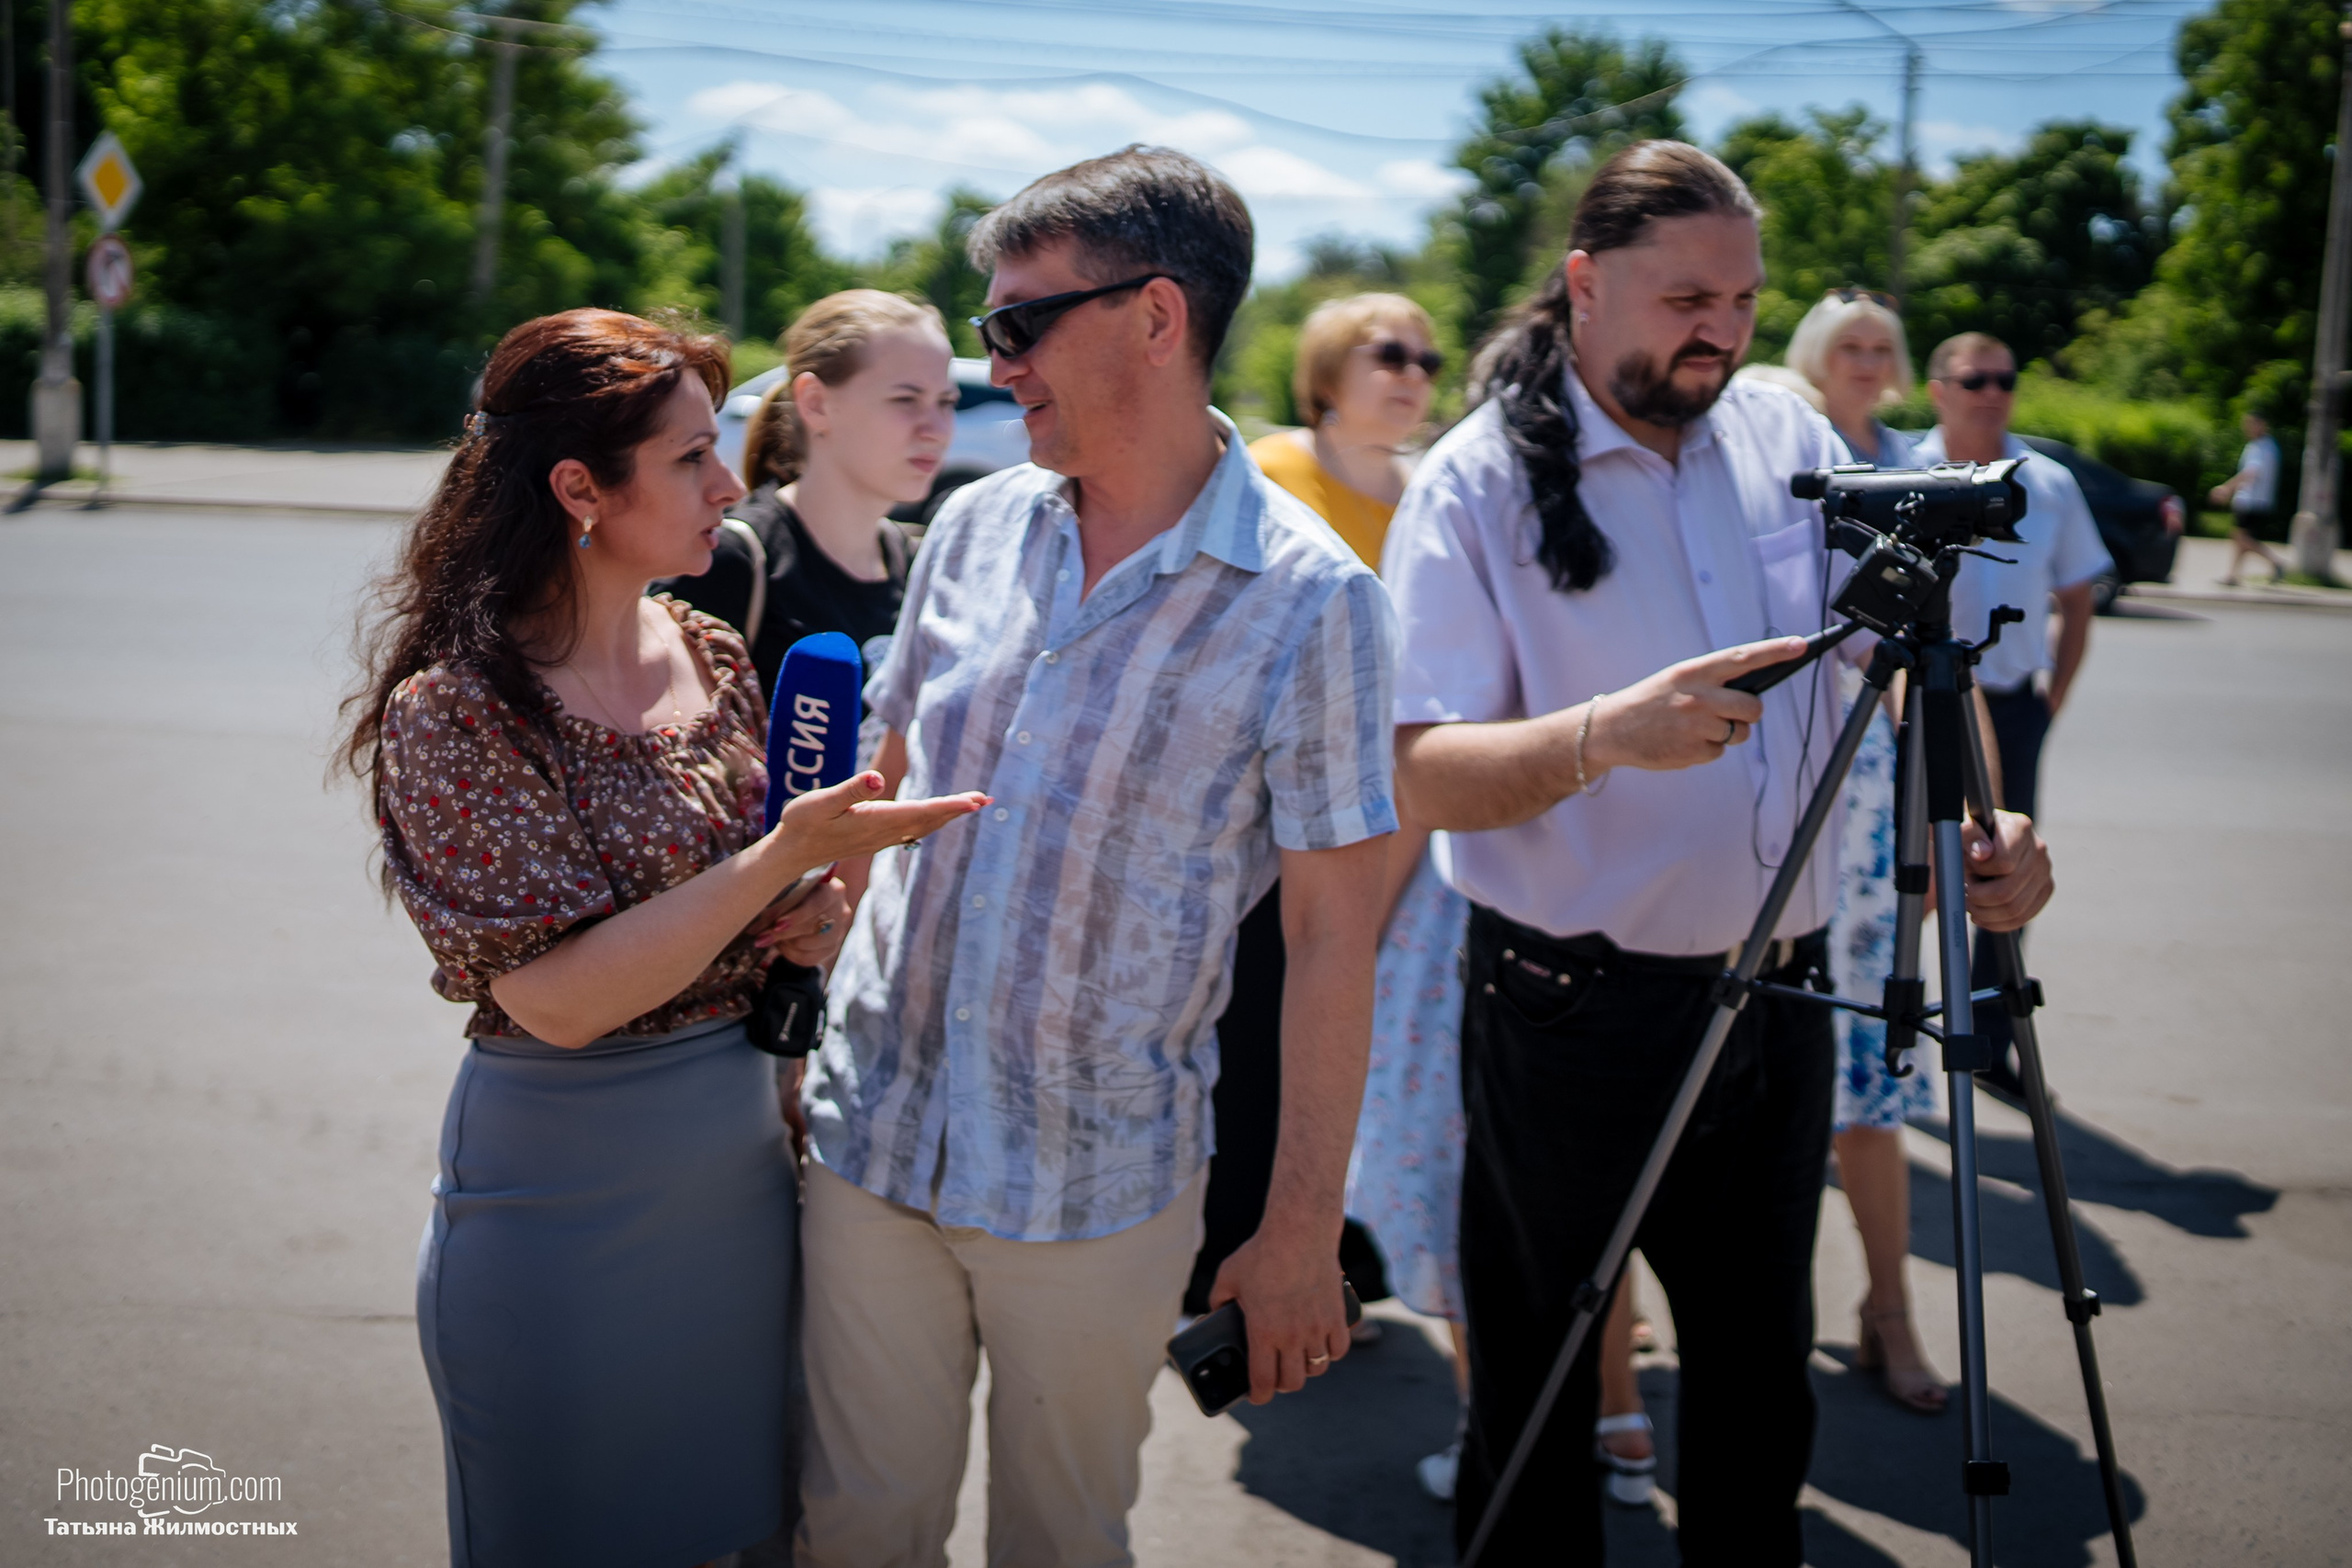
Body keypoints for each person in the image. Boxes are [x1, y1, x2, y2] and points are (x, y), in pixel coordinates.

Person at [1383, 141, 2055, 1564]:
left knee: (1759, 1390)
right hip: (1564, 1007)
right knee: (1541, 1389)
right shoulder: (1472, 481)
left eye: (1744, 299)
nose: (1724, 329)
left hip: (1782, 997)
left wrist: (1989, 822)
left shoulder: (1785, 432)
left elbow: (1911, 644)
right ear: (1582, 283)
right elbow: (1410, 768)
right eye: (1687, 295)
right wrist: (1597, 737)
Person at [794, 146, 1398, 1567]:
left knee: (1061, 1544)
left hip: (1094, 1188)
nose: (994, 362)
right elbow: (872, 806)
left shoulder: (1316, 603)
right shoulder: (974, 526)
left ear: (1155, 315)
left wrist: (1300, 1224)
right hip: (871, 1135)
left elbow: (1331, 935)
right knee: (851, 1533)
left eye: (1019, 322)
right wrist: (790, 1036)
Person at [340, 309, 986, 1568]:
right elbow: (562, 1000)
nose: (732, 483)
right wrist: (776, 862)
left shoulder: (710, 651)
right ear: (579, 486)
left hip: (742, 1177)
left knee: (739, 1534)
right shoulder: (457, 706)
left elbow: (753, 920)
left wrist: (811, 919)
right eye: (693, 456)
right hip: (562, 1204)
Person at [1785, 289, 1947, 1414]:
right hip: (1785, 785)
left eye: (1881, 346)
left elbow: (1949, 650)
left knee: (1872, 1076)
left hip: (1875, 794)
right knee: (1752, 1075)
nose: (1867, 360)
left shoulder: (1921, 466)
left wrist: (1953, 826)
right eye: (1848, 343)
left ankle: (1887, 1309)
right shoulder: (1767, 444)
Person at [1916, 333, 2109, 1097]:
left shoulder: (2049, 482)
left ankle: (1991, 1042)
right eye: (1975, 379)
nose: (1992, 391)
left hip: (2008, 700)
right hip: (1912, 699)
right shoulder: (1904, 470)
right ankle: (1867, 1013)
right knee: (1902, 872)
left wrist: (2049, 699)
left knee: (2000, 876)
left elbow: (2079, 597)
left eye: (2005, 378)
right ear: (1938, 390)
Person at [660, 289, 947, 700]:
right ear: (815, 403)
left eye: (946, 402)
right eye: (906, 399)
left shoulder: (918, 562)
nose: (936, 428)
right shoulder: (730, 560)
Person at [2211, 411, 2287, 586]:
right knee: (2240, 539)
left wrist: (2226, 488)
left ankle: (2275, 562)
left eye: (2252, 424)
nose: (2248, 428)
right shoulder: (2260, 445)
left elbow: (2250, 473)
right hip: (2251, 499)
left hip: (2253, 500)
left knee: (2241, 538)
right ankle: (2233, 576)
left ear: (2262, 425)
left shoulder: (2263, 447)